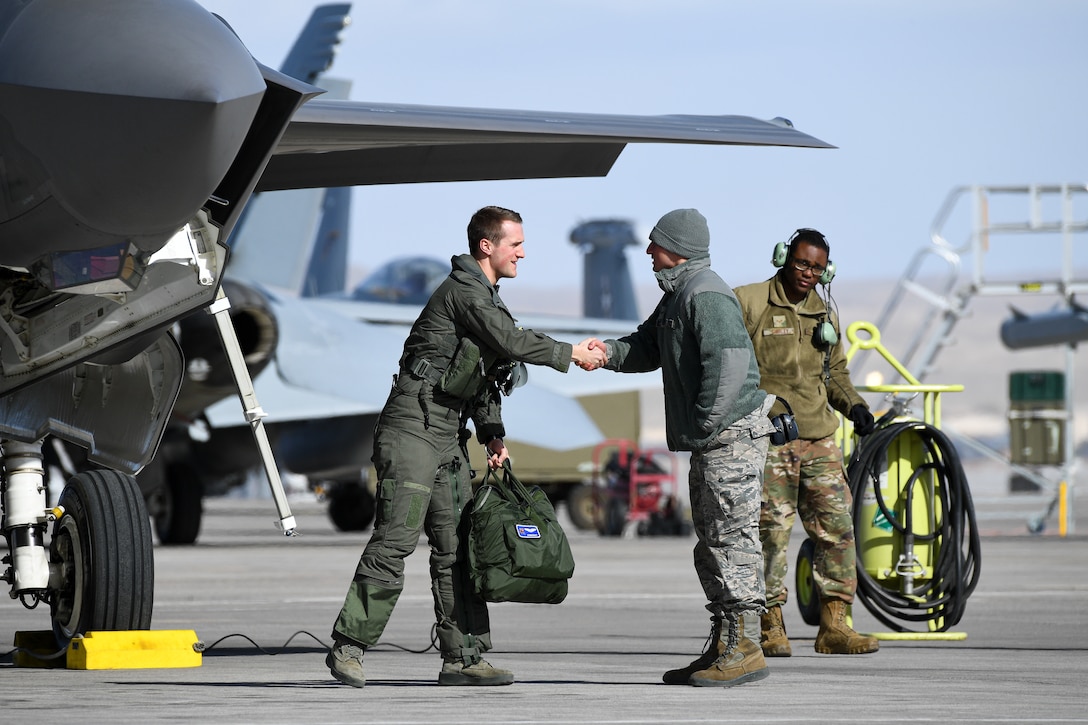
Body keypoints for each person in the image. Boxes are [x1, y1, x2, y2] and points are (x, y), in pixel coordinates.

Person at [326, 206, 606, 688]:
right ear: (487, 246)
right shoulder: (465, 293)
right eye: (515, 243)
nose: (522, 252)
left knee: (458, 549)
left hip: (449, 430)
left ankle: (463, 657)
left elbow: (486, 375)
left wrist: (492, 432)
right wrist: (571, 353)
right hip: (412, 424)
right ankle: (350, 647)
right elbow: (511, 342)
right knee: (396, 538)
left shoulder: (489, 299)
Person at [587, 208, 776, 687]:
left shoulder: (706, 294)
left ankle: (746, 646)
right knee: (713, 542)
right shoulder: (678, 297)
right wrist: (605, 354)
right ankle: (724, 644)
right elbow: (646, 347)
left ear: (678, 246)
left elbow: (730, 366)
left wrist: (708, 423)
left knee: (733, 541)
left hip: (728, 438)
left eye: (656, 243)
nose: (649, 252)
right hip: (712, 440)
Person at [733, 228, 879, 657]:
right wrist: (764, 409)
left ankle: (835, 625)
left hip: (819, 440)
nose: (807, 273)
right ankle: (770, 625)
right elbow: (735, 368)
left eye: (816, 267)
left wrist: (855, 407)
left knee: (837, 531)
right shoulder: (750, 302)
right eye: (801, 263)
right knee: (770, 534)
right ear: (783, 257)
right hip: (771, 439)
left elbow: (836, 376)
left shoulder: (825, 314)